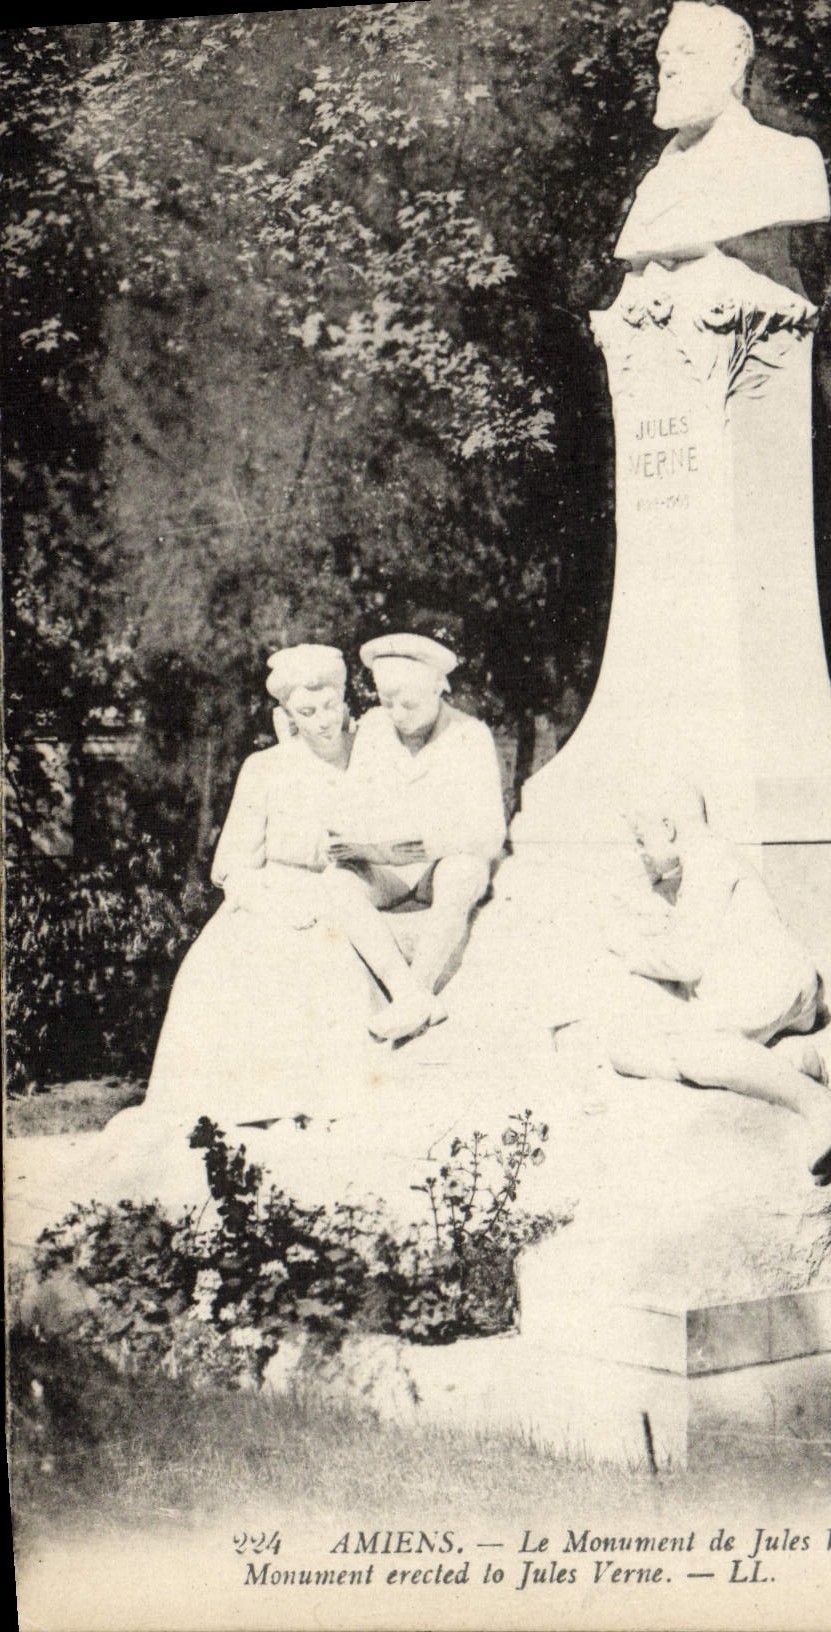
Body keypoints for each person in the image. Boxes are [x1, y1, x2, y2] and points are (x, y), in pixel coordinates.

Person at [141, 644, 373, 1124]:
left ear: (346, 701)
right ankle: (252, 1116)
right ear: (286, 716)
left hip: (353, 893)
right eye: (307, 712)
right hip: (275, 897)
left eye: (331, 706)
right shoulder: (266, 768)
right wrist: (274, 906)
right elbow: (232, 867)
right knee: (242, 966)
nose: (324, 720)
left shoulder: (370, 759)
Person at [583, 785, 831, 1183]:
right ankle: (789, 1061)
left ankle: (817, 1106)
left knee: (689, 1051)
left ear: (669, 826)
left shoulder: (708, 859)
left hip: (768, 986)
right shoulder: (706, 860)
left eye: (641, 839)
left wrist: (631, 952)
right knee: (632, 1051)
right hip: (775, 993)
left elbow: (684, 959)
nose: (641, 852)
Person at [325, 633, 506, 1044]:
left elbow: (491, 833)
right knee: (336, 884)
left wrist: (427, 844)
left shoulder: (470, 735)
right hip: (388, 871)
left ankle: (415, 991)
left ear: (438, 690)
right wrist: (353, 840)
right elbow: (351, 803)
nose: (397, 715)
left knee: (462, 873)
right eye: (388, 702)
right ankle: (411, 996)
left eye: (409, 703)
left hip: (441, 866)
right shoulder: (373, 729)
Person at [615, 3, 829, 274]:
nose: (668, 70)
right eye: (663, 57)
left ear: (734, 63)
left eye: (688, 53)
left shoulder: (789, 159)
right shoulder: (655, 182)